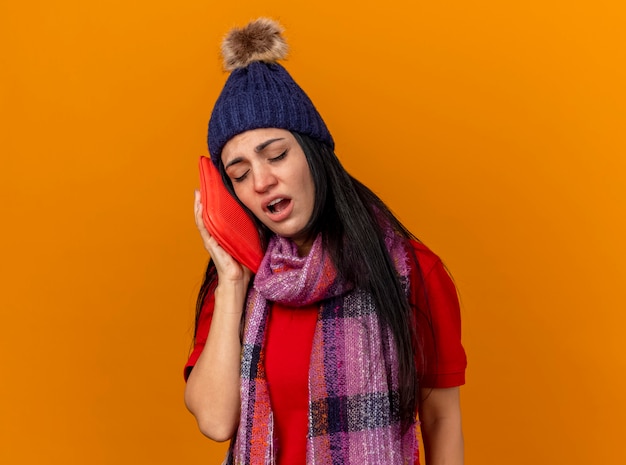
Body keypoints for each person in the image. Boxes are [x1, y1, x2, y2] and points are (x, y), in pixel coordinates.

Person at [184, 18, 467, 465]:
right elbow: (217, 422)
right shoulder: (235, 285)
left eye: (276, 154)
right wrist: (233, 282)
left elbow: (440, 419)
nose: (261, 180)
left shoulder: (413, 272)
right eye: (239, 174)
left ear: (313, 154)